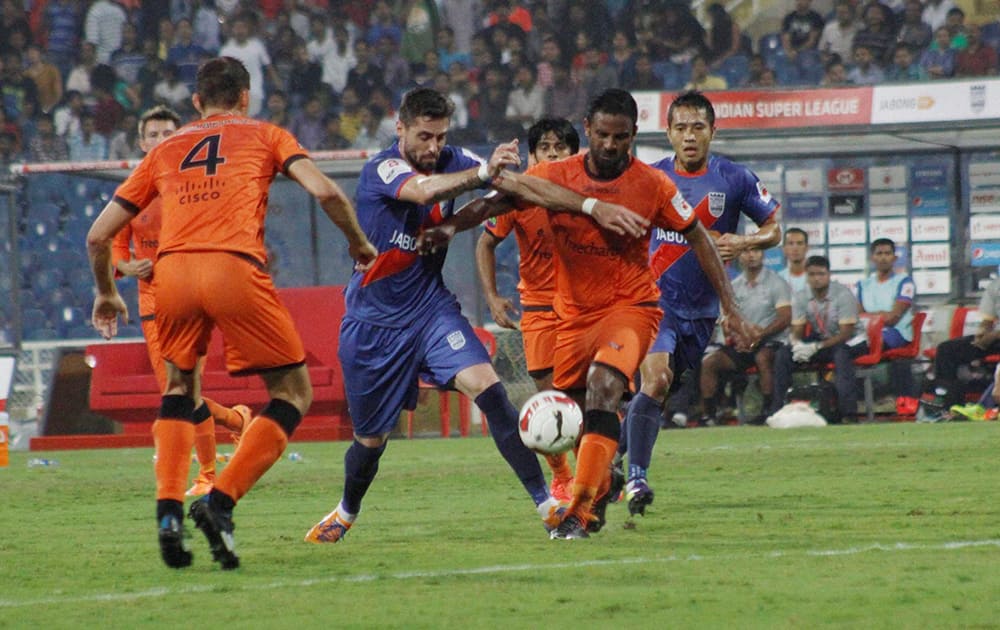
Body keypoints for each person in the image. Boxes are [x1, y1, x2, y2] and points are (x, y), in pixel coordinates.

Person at [87, 56, 377, 570]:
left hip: (170, 275)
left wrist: (107, 291)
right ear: (246, 97)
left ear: (196, 103)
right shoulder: (266, 134)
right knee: (292, 393)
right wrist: (357, 243)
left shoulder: (164, 150)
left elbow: (98, 234)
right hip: (232, 267)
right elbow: (325, 190)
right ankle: (219, 502)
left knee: (179, 389)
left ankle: (168, 512)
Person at [426, 88, 755, 539]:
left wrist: (731, 308)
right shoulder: (556, 175)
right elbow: (497, 202)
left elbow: (698, 235)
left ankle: (577, 512)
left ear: (634, 135)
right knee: (576, 415)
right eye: (602, 135)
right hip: (573, 315)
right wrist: (448, 226)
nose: (610, 146)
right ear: (588, 131)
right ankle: (602, 488)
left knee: (605, 387)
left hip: (630, 307)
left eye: (620, 137)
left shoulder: (653, 184)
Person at [302, 87, 587, 545]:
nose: (433, 147)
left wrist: (586, 204)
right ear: (400, 129)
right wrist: (481, 173)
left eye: (440, 137)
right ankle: (346, 511)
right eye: (424, 136)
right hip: (373, 326)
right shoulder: (383, 168)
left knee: (491, 394)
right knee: (370, 442)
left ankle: (549, 507)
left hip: (431, 312)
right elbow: (422, 191)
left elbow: (506, 193)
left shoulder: (457, 158)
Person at [617, 90, 779, 518]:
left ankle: (607, 454)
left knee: (659, 393)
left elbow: (775, 229)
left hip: (704, 310)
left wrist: (743, 240)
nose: (689, 136)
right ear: (668, 133)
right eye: (681, 128)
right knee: (653, 380)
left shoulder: (734, 178)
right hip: (652, 303)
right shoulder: (647, 178)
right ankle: (636, 479)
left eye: (698, 128)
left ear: (712, 131)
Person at [110, 105, 252, 498]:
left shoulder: (196, 185)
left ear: (182, 137)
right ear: (141, 142)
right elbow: (115, 245)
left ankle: (208, 474)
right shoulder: (132, 191)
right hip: (153, 301)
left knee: (183, 390)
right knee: (177, 390)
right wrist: (127, 264)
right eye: (152, 134)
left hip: (191, 295)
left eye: (167, 133)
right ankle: (235, 420)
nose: (160, 140)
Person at [475, 117, 581, 502]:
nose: (553, 154)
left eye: (561, 147)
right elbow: (485, 244)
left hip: (582, 306)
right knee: (546, 395)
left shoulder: (586, 193)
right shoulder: (517, 197)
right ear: (532, 156)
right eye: (545, 148)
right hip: (537, 306)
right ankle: (562, 475)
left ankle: (595, 469)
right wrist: (492, 296)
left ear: (574, 154)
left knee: (587, 391)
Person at [699, 247, 791, 426]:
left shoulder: (777, 282)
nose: (751, 255)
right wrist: (739, 336)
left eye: (756, 251)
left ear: (763, 254)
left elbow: (786, 317)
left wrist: (759, 335)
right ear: (738, 256)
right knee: (710, 362)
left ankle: (767, 411)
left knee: (763, 358)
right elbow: (728, 318)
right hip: (743, 343)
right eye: (746, 252)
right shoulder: (734, 285)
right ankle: (709, 414)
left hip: (770, 341)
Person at [774, 255, 865, 424]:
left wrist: (815, 347)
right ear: (806, 276)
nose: (816, 279)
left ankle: (849, 414)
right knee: (783, 354)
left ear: (829, 275)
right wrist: (796, 344)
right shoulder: (801, 296)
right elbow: (798, 330)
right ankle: (777, 410)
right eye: (812, 274)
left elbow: (845, 333)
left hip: (852, 341)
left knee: (841, 355)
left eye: (821, 274)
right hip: (824, 341)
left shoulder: (843, 294)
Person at [855, 238, 919, 415]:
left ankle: (887, 399)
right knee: (848, 347)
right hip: (867, 332)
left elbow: (893, 317)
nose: (883, 258)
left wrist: (873, 316)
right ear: (872, 258)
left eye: (887, 253)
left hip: (897, 333)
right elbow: (858, 316)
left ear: (894, 257)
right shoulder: (862, 285)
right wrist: (881, 315)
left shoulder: (905, 282)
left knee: (869, 343)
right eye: (879, 253)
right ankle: (857, 401)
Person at [927, 277, 1000, 410]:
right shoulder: (996, 285)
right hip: (995, 338)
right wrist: (982, 333)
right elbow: (988, 319)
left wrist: (994, 335)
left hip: (996, 336)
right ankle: (950, 405)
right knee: (947, 349)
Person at [779, 227, 809, 293]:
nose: (795, 248)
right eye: (790, 243)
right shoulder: (778, 279)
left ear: (807, 248)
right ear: (784, 249)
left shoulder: (816, 276)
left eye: (799, 243)